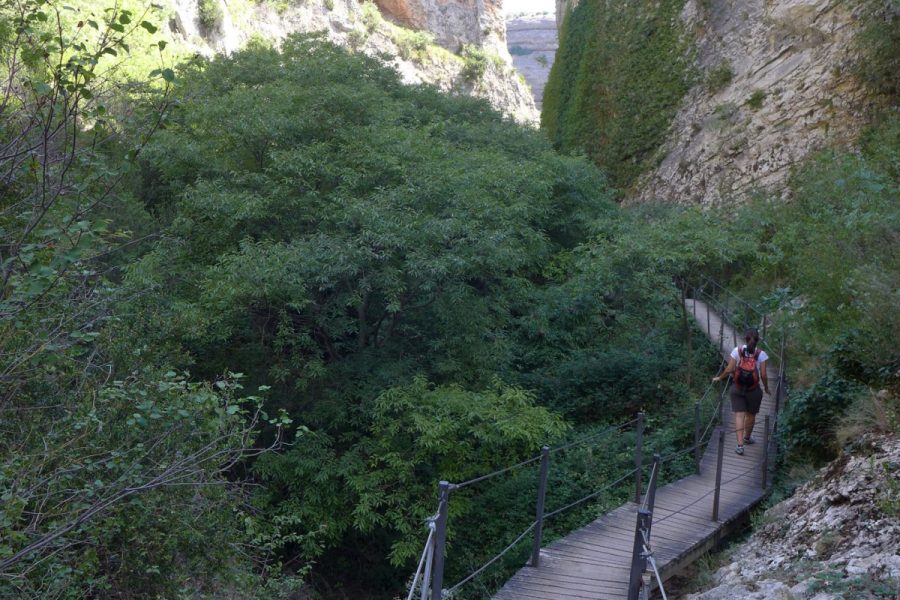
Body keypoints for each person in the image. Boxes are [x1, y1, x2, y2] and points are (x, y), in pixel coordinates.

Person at [712, 327, 770, 455]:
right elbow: (764, 375)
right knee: (751, 416)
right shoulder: (761, 354)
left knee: (739, 415)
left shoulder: (737, 351)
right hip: (753, 390)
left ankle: (739, 446)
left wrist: (720, 378)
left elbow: (728, 370)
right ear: (757, 341)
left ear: (745, 338)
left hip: (737, 388)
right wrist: (766, 388)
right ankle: (747, 438)